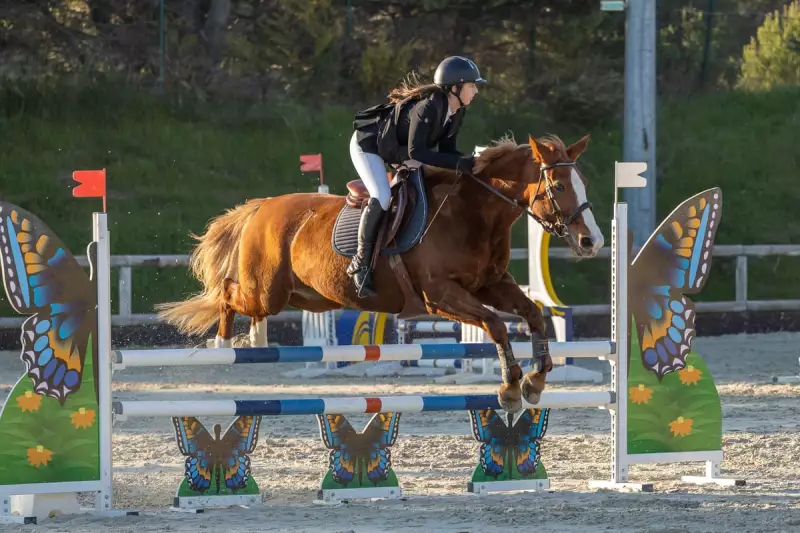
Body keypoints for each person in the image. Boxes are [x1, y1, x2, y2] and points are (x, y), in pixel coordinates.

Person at [347, 55, 487, 298]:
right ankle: (361, 262)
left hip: (400, 150)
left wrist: (471, 164)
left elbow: (447, 153)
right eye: (472, 86)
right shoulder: (428, 107)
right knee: (381, 196)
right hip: (369, 146)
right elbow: (417, 152)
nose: (475, 91)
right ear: (455, 88)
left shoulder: (456, 112)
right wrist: (460, 163)